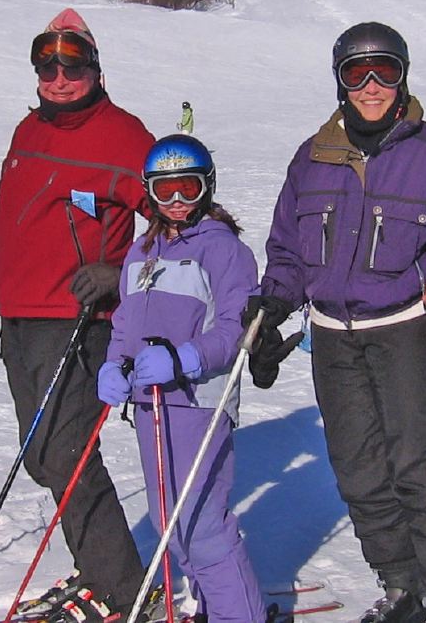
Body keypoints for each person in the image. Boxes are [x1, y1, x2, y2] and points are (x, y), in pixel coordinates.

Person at [246, 22, 426, 623]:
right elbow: (287, 250)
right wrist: (272, 303)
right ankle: (402, 585)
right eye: (355, 73)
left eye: (383, 71)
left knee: (420, 468)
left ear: (403, 75)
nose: (370, 86)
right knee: (359, 471)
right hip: (333, 338)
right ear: (339, 81)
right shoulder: (311, 160)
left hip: (411, 328)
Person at [0, 8, 157, 623]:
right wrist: (0, 270)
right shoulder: (28, 130)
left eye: (71, 65)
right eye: (47, 65)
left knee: (66, 454)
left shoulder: (125, 135)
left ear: (95, 67)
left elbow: (181, 218)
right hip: (20, 314)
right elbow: (26, 213)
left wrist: (121, 273)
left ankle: (126, 592)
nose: (58, 77)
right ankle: (101, 569)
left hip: (77, 320)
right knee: (42, 456)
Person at [97, 134, 269, 623]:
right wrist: (115, 366)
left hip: (199, 400)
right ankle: (212, 602)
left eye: (188, 189)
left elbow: (239, 329)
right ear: (149, 192)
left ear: (207, 188)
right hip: (151, 404)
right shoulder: (141, 252)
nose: (176, 201)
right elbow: (125, 324)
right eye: (165, 189)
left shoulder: (224, 250)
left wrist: (185, 358)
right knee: (168, 521)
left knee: (200, 524)